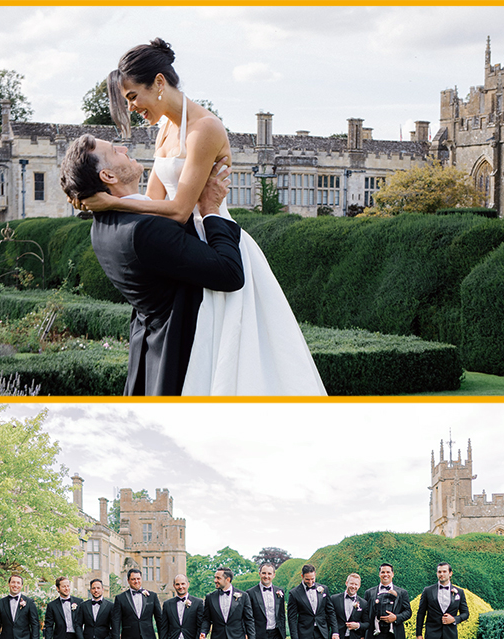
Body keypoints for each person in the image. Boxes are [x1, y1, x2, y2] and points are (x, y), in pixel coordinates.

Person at [82, 38, 327, 396]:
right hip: (188, 249)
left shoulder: (206, 128)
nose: (132, 107)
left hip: (218, 242)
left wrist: (113, 203)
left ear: (160, 83)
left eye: (133, 96)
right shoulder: (166, 128)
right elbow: (154, 200)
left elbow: (180, 209)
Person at [60, 134, 242, 395]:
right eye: (115, 150)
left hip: (149, 353)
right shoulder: (144, 229)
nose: (124, 147)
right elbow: (230, 273)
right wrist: (211, 209)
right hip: (183, 358)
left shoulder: (103, 224)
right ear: (108, 176)